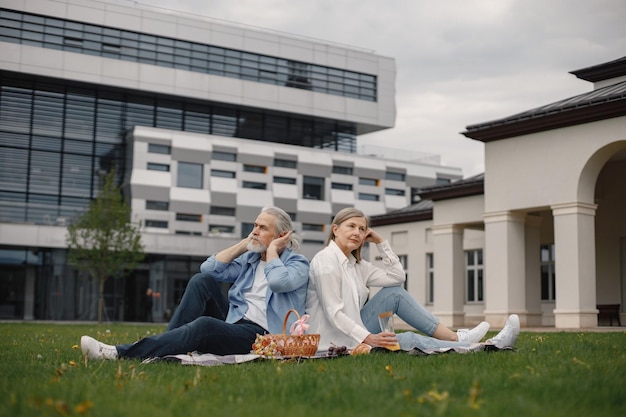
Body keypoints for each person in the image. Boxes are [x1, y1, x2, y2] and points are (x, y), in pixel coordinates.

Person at [81, 206, 310, 360]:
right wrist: (243, 244)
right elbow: (209, 268)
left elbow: (278, 282)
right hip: (234, 322)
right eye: (255, 226)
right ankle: (168, 347)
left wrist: (272, 250)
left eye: (262, 228)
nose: (255, 231)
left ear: (282, 235)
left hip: (262, 337)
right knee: (203, 281)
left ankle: (118, 353)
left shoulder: (298, 264)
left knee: (204, 325)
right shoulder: (250, 259)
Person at [305, 208, 520, 353]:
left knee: (394, 293)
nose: (358, 233)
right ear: (335, 230)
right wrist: (368, 338)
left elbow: (397, 277)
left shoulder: (355, 265)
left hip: (354, 332)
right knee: (406, 339)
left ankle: (457, 339)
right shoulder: (325, 262)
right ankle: (483, 347)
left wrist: (380, 242)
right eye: (351, 226)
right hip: (333, 343)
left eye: (362, 229)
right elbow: (334, 314)